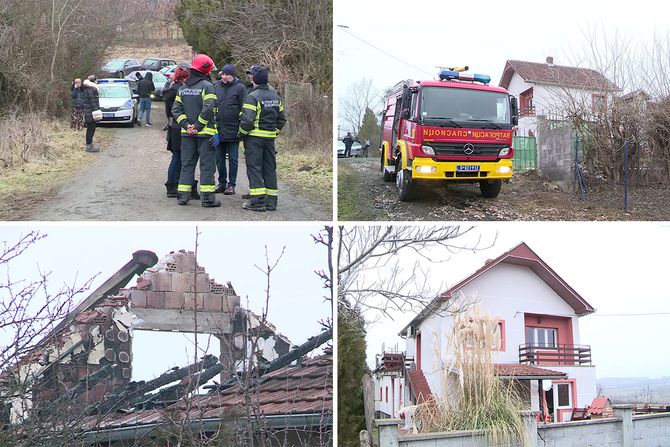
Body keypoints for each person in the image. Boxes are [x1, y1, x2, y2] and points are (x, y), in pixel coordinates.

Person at [171, 53, 220, 207]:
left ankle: (183, 197)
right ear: (205, 69)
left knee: (187, 165)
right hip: (205, 135)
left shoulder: (183, 88)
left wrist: (187, 126)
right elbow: (208, 108)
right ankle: (208, 200)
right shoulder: (208, 86)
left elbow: (176, 110)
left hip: (187, 135)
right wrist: (198, 126)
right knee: (207, 166)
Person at [239, 67, 286, 212]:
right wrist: (274, 133)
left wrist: (241, 134)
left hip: (254, 139)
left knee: (254, 169)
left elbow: (247, 121)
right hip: (269, 140)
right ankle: (271, 202)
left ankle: (258, 202)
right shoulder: (276, 97)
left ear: (256, 80)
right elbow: (282, 119)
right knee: (270, 169)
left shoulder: (252, 97)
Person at [214, 64, 247, 195]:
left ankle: (231, 184)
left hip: (234, 130)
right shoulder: (216, 87)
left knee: (233, 159)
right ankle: (221, 183)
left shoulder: (240, 88)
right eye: (223, 74)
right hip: (218, 129)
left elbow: (244, 108)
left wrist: (240, 127)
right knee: (219, 158)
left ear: (233, 76)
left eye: (228, 75)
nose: (225, 77)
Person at [163, 67, 191, 199]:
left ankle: (172, 184)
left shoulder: (171, 89)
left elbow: (169, 111)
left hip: (172, 126)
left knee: (176, 156)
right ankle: (173, 184)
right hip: (179, 126)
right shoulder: (181, 90)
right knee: (178, 157)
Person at [81, 75, 101, 153]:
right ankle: (89, 146)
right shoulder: (92, 89)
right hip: (90, 112)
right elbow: (93, 102)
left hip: (87, 111)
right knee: (91, 128)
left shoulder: (86, 88)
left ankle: (89, 144)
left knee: (90, 128)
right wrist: (97, 111)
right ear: (94, 81)